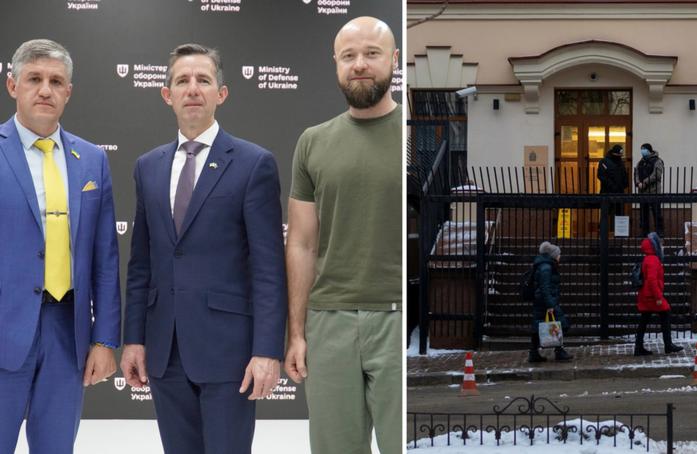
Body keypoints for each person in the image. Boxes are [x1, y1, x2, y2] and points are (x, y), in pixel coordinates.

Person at [120, 43, 287, 454]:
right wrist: (134, 339)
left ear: (221, 93)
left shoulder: (253, 163)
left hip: (229, 354)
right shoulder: (148, 166)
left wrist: (267, 350)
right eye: (182, 81)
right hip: (165, 352)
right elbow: (141, 263)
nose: (192, 89)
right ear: (167, 94)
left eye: (203, 80)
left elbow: (268, 267)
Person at [284, 16, 402, 454]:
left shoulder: (414, 140)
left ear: (392, 60)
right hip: (329, 321)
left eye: (371, 54)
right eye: (348, 55)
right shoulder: (313, 142)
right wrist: (297, 333)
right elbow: (300, 242)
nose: (359, 65)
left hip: (397, 317)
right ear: (335, 63)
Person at [0, 39, 120, 454]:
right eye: (34, 79)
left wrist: (104, 340)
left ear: (68, 92)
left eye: (56, 81)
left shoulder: (91, 160)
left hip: (66, 337)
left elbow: (105, 258)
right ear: (12, 85)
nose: (45, 90)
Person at [634, 237, 683, 356]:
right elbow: (651, 280)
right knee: (665, 313)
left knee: (644, 320)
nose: (662, 247)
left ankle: (639, 347)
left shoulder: (648, 258)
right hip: (652, 296)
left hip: (647, 295)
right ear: (655, 246)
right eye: (660, 244)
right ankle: (668, 345)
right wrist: (658, 298)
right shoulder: (653, 260)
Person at [528, 242, 573, 363]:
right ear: (552, 255)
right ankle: (559, 351)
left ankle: (534, 353)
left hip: (543, 301)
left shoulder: (545, 265)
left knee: (538, 326)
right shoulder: (546, 268)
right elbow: (545, 288)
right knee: (561, 324)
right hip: (546, 301)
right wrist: (550, 305)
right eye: (558, 254)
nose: (560, 257)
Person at [634, 142, 665, 236]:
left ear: (649, 150)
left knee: (657, 213)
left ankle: (659, 232)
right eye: (641, 149)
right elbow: (636, 173)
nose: (642, 151)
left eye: (644, 149)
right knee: (643, 214)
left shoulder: (657, 161)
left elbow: (656, 174)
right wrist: (638, 182)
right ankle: (644, 231)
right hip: (642, 192)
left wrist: (645, 183)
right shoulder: (641, 162)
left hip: (654, 191)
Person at [597, 144, 629, 217]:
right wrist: (612, 185)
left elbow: (624, 175)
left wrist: (624, 184)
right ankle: (606, 228)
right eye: (618, 155)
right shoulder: (604, 161)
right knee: (606, 214)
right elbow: (601, 175)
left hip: (619, 193)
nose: (619, 156)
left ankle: (616, 228)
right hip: (607, 192)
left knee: (619, 214)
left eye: (620, 155)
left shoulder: (620, 162)